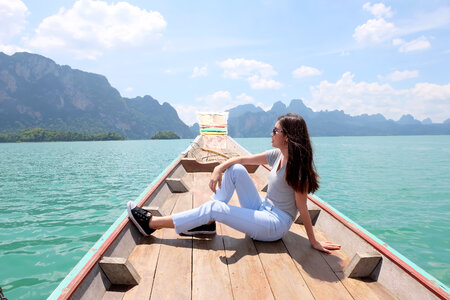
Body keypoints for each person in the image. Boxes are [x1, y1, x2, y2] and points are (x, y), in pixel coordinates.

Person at [127, 113, 340, 253]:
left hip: (275, 225)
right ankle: (208, 222)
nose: (271, 133)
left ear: (287, 137)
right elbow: (240, 160)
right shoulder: (277, 155)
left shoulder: (298, 169)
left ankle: (151, 224)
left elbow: (302, 207)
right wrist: (219, 168)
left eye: (275, 130)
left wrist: (313, 241)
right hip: (262, 208)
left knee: (215, 207)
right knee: (235, 169)